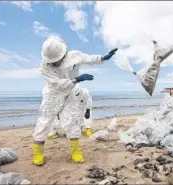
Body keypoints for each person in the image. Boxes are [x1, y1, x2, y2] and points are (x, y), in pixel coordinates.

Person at [32, 35, 117, 166]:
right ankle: (38, 154)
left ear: (64, 54)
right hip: (53, 94)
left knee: (72, 120)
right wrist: (78, 79)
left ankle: (76, 152)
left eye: (56, 60)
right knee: (44, 121)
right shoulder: (44, 67)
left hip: (70, 93)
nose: (54, 63)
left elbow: (89, 58)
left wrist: (103, 58)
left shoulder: (75, 55)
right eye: (52, 61)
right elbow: (58, 85)